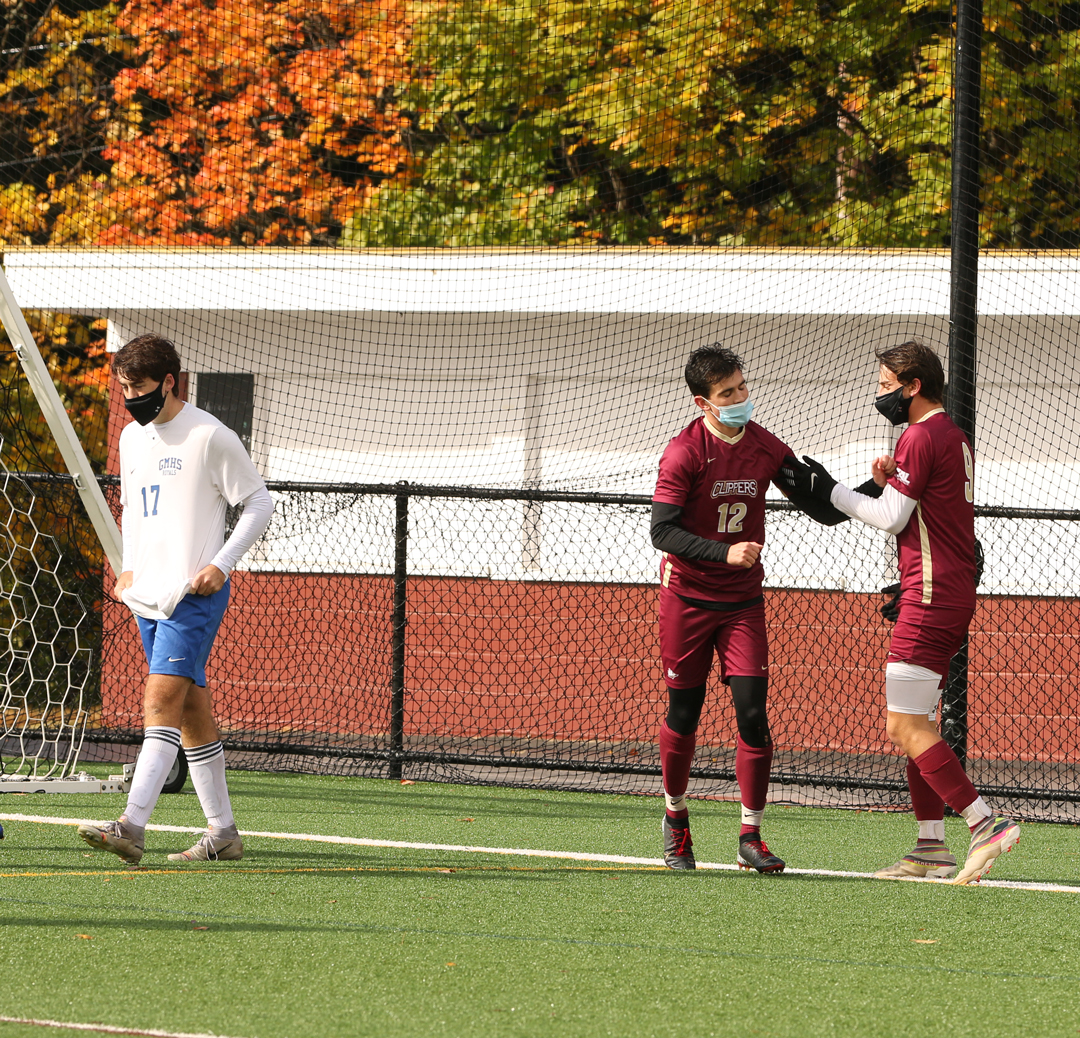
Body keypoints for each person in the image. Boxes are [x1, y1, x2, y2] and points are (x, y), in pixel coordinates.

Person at [780, 338, 1019, 885]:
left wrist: (831, 489)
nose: (881, 395)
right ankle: (930, 848)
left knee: (903, 724)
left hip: (931, 596)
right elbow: (925, 510)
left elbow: (891, 517)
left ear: (914, 387)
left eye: (888, 386)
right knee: (918, 723)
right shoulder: (950, 434)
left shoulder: (919, 434)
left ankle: (986, 825)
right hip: (944, 590)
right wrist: (892, 480)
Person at [78, 335, 274, 864]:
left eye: (139, 387)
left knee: (160, 700)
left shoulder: (211, 436)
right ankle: (223, 834)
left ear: (169, 382)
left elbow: (259, 503)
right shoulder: (131, 438)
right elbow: (135, 511)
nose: (131, 399)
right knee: (190, 710)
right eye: (124, 389)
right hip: (146, 594)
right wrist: (128, 567)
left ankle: (130, 826)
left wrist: (221, 564)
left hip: (192, 595)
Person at [651, 343, 844, 872]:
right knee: (684, 714)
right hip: (687, 598)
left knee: (753, 714)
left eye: (742, 387)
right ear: (702, 402)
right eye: (727, 393)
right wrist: (724, 553)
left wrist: (876, 486)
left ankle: (750, 836)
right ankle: (676, 820)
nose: (740, 398)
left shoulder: (763, 444)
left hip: (742, 603)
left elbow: (820, 508)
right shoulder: (684, 452)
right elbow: (662, 532)